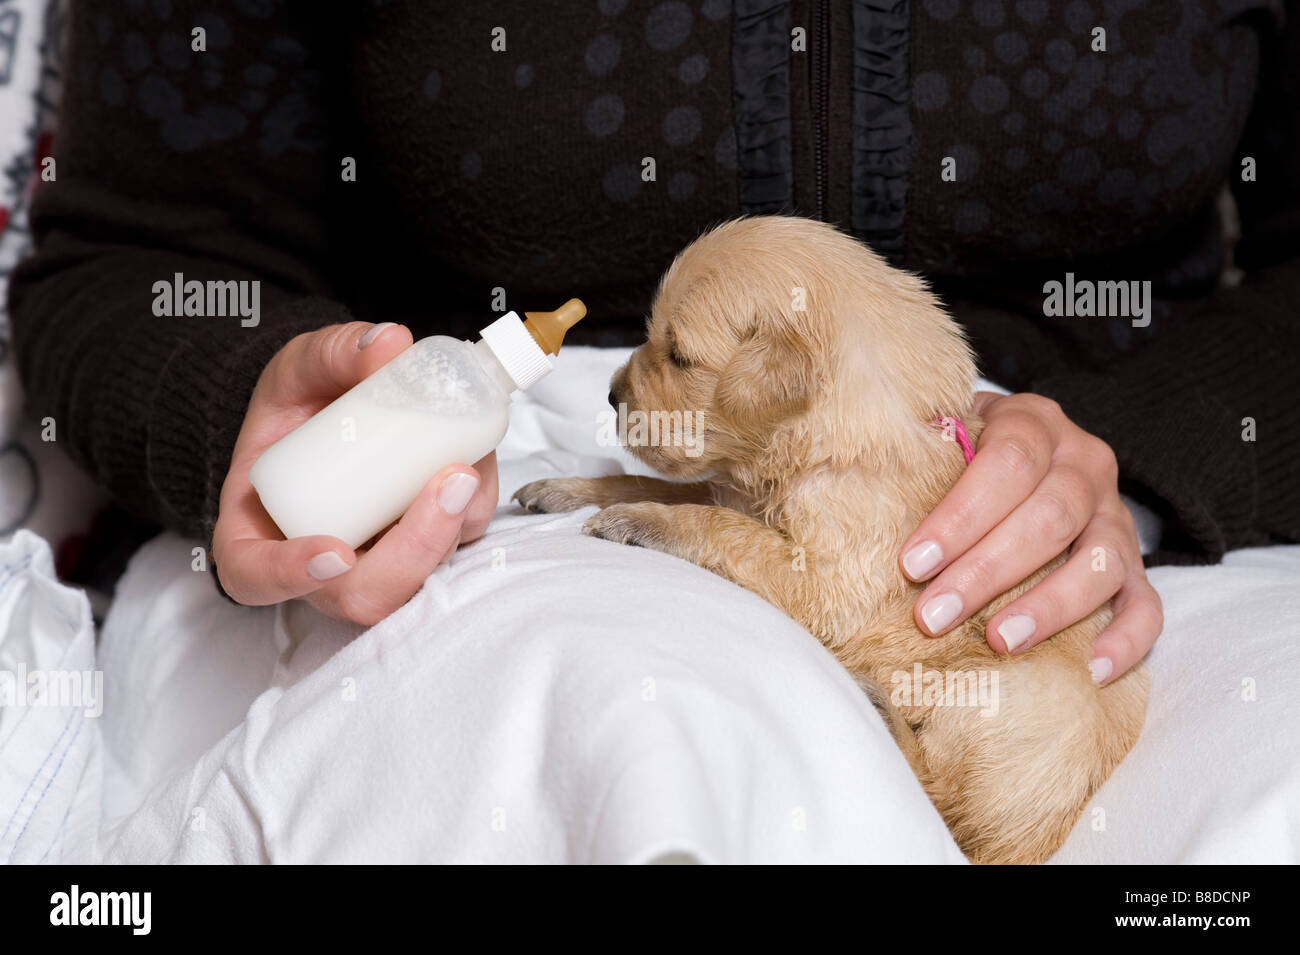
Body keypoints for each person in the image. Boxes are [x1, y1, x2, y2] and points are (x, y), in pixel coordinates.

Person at [10, 1, 1298, 686]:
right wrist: (238, 398)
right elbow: (133, 255)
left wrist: (1145, 455)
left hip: (1126, 536)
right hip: (488, 519)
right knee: (663, 767)